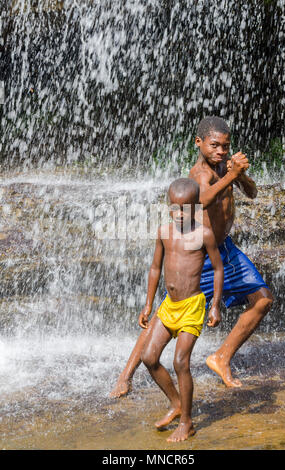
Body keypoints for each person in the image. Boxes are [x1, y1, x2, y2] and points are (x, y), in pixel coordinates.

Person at [110, 115, 273, 397]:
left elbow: (253, 192)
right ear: (199, 143)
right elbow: (202, 199)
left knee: (263, 299)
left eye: (225, 146)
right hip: (202, 255)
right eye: (214, 146)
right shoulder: (200, 173)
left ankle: (221, 357)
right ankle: (125, 376)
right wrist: (232, 176)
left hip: (226, 249)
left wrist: (240, 174)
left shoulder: (224, 166)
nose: (221, 151)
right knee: (165, 315)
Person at [139, 178, 224, 442]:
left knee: (180, 362)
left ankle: (187, 422)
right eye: (173, 208)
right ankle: (177, 403)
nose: (178, 214)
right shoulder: (164, 232)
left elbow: (219, 269)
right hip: (169, 306)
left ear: (196, 208)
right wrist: (148, 303)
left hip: (192, 307)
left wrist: (216, 305)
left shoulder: (204, 234)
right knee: (149, 357)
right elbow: (155, 268)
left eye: (184, 209)